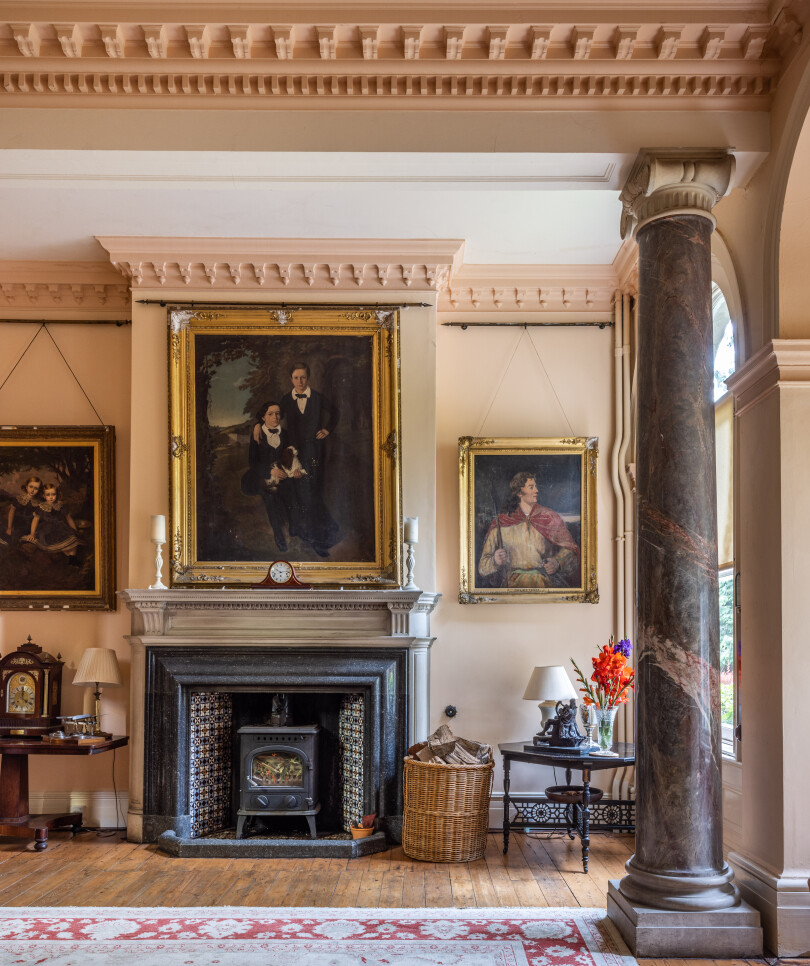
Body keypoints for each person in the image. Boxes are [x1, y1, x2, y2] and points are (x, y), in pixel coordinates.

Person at [278, 362, 340, 557]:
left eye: (303, 377)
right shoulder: (286, 400)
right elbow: (271, 417)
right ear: (291, 379)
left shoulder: (318, 397)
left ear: (308, 378)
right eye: (296, 378)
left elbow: (335, 412)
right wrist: (256, 425)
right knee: (301, 494)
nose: (299, 381)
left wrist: (327, 429)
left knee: (312, 494)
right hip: (295, 454)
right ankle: (311, 532)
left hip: (315, 453)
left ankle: (321, 537)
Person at [478, 471, 580, 588]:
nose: (536, 490)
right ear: (519, 492)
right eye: (531, 487)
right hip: (512, 587)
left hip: (545, 585)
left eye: (535, 486)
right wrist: (495, 560)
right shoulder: (502, 522)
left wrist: (557, 562)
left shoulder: (549, 517)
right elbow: (482, 567)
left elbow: (571, 550)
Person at [242, 401, 294, 552]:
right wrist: (270, 471)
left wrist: (289, 470)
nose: (275, 417)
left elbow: (290, 455)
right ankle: (279, 536)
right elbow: (252, 462)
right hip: (261, 474)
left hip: (282, 472)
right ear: (263, 418)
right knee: (270, 498)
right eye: (270, 414)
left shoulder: (285, 434)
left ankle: (294, 528)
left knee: (290, 492)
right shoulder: (258, 434)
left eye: (277, 413)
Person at [24, 483, 81, 559]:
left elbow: (69, 518)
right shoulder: (42, 507)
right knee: (64, 547)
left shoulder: (60, 506)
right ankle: (70, 560)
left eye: (53, 494)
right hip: (47, 530)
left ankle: (72, 560)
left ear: (56, 495)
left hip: (61, 528)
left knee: (73, 544)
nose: (51, 497)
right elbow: (35, 520)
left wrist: (75, 530)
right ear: (44, 496)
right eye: (48, 495)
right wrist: (32, 534)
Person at [2, 476, 43, 547]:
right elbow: (11, 512)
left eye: (36, 488)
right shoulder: (19, 499)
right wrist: (9, 527)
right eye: (31, 487)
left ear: (39, 490)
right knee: (13, 540)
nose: (32, 490)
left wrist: (32, 533)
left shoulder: (39, 503)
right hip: (19, 525)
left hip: (33, 527)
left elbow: (36, 518)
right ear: (26, 487)